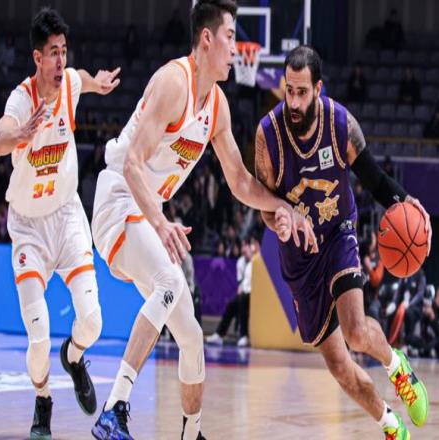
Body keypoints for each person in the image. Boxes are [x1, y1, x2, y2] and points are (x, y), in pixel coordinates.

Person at [90, 2, 315, 440]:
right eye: (231, 36)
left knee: (192, 336)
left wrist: (281, 207)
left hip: (146, 211)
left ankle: (191, 433)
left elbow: (239, 181)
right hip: (119, 199)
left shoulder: (218, 106)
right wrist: (160, 222)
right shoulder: (173, 82)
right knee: (170, 283)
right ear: (207, 39)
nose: (236, 47)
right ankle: (114, 408)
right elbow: (133, 164)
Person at [254, 45, 432, 440]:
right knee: (338, 365)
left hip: (337, 232)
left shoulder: (340, 124)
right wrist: (277, 219)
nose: (294, 102)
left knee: (355, 331)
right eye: (289, 91)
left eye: (302, 92)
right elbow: (264, 203)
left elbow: (374, 179)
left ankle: (397, 367)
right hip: (299, 256)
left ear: (318, 88)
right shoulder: (268, 136)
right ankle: (390, 423)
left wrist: (406, 201)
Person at [0, 7, 120, 439]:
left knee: (94, 321)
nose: (61, 60)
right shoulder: (21, 99)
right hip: (28, 227)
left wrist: (97, 82)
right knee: (39, 337)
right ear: (37, 57)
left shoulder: (70, 85)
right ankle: (43, 400)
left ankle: (75, 356)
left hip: (66, 218)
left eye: (64, 51)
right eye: (53, 52)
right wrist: (21, 134)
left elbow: (81, 78)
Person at [206, 236, 253, 347]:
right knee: (231, 304)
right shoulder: (240, 262)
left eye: (246, 245)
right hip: (244, 292)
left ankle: (244, 335)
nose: (244, 248)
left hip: (253, 293)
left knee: (242, 301)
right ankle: (219, 334)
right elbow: (240, 282)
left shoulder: (255, 261)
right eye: (242, 246)